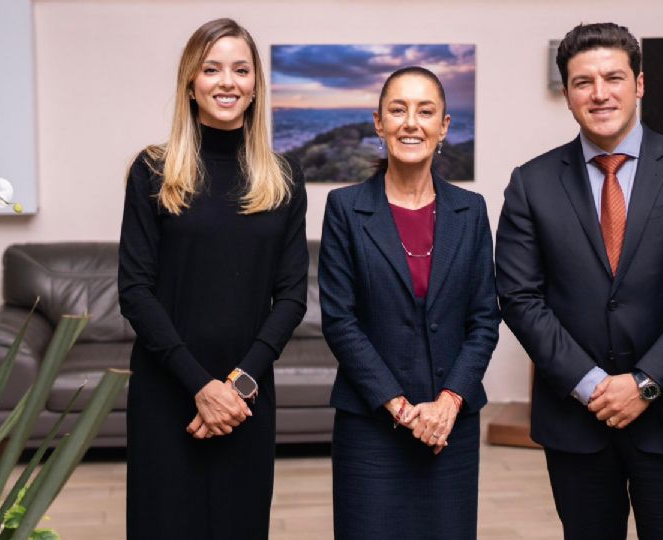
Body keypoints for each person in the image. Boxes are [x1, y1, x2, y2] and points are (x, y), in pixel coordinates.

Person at [495, 22, 663, 540]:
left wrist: (645, 383)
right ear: (567, 94)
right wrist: (591, 386)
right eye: (583, 82)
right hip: (576, 423)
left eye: (613, 77)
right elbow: (520, 297)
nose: (600, 93)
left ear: (640, 84)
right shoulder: (531, 183)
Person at [118, 18, 307, 540]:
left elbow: (291, 297)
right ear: (191, 83)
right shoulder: (153, 171)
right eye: (212, 68)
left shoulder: (284, 177)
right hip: (167, 396)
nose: (227, 82)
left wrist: (236, 387)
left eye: (241, 70)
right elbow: (134, 291)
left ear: (255, 85)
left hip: (246, 400)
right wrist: (200, 386)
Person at [319, 66, 499, 539]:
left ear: (444, 127)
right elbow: (340, 321)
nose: (411, 123)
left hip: (451, 427)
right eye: (397, 110)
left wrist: (447, 404)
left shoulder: (471, 211)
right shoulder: (344, 208)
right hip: (371, 426)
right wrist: (401, 409)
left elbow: (484, 320)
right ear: (379, 123)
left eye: (426, 111)